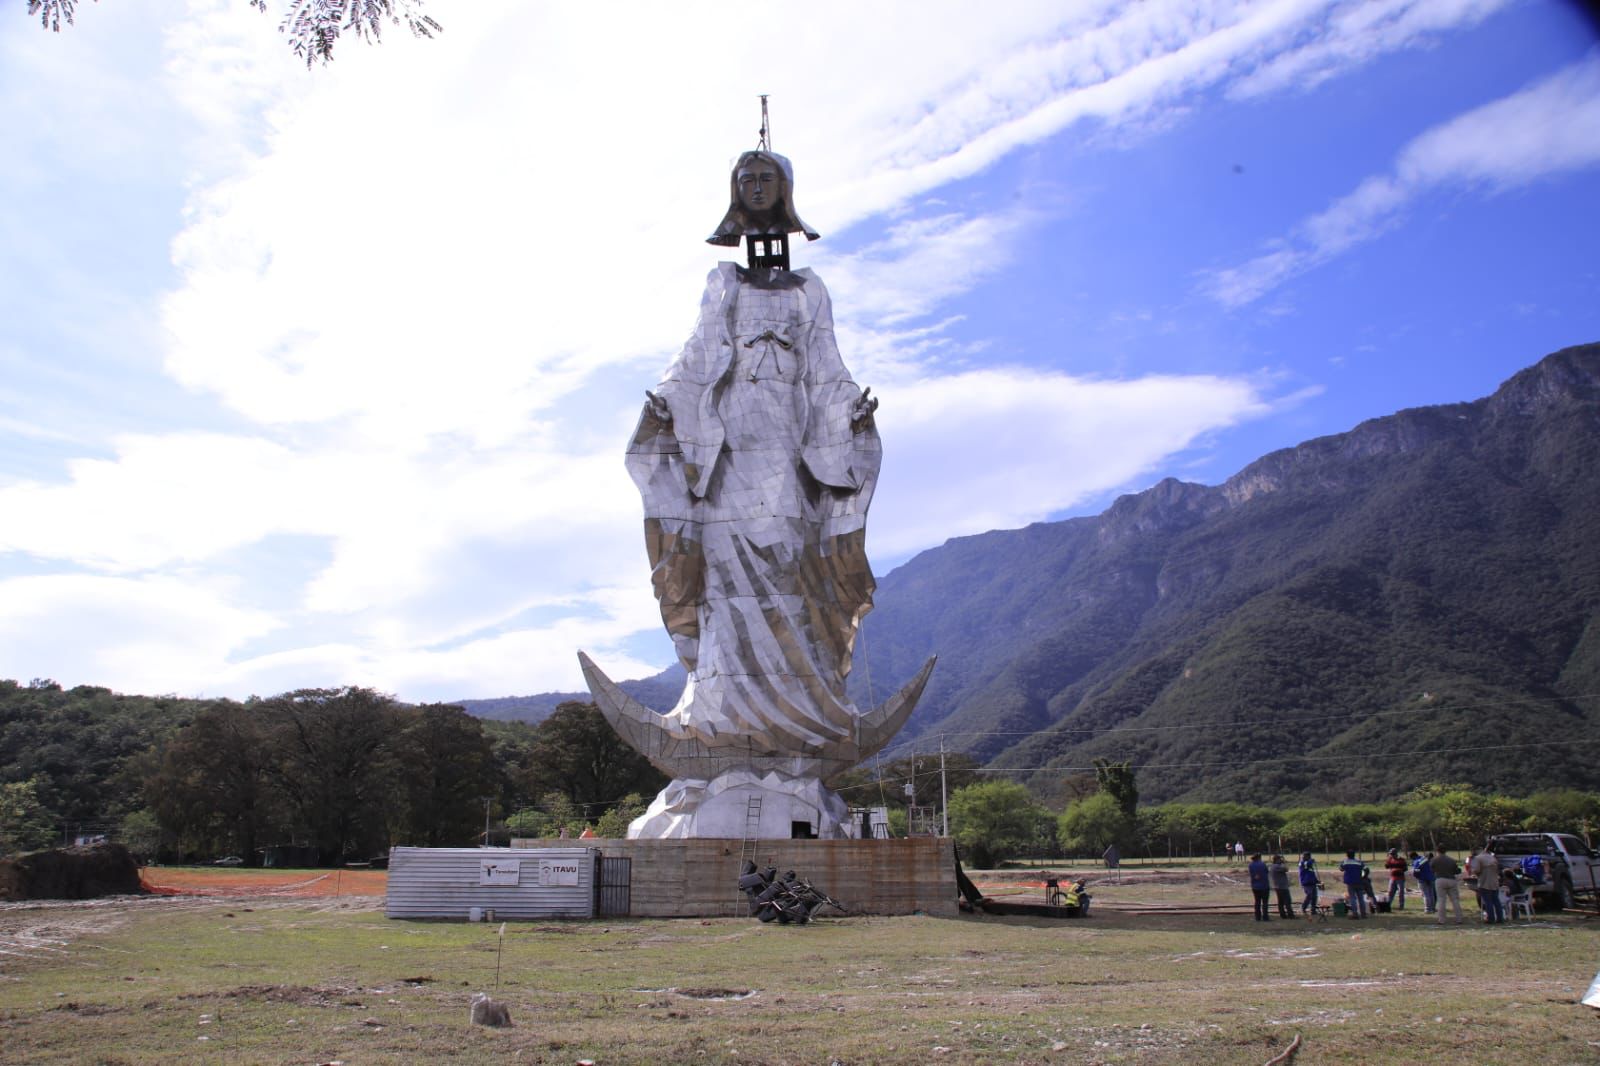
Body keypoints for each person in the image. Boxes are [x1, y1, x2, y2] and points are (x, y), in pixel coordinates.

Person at [626, 148, 882, 755]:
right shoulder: (723, 283)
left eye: (766, 177)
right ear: (735, 194)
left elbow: (825, 370)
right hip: (729, 450)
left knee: (792, 568)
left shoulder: (810, 291)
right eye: (746, 179)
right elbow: (694, 355)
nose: (756, 186)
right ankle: (719, 712)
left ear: (785, 189)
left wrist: (849, 413)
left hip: (788, 450)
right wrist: (667, 403)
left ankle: (802, 709)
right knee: (722, 579)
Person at [1470, 845, 1504, 924]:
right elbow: (1498, 868)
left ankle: (1491, 919)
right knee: (1496, 901)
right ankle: (1500, 918)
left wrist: (1474, 873)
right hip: (1495, 882)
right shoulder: (1492, 857)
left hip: (1485, 882)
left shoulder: (1478, 858)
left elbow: (1476, 870)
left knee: (1488, 901)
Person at [1431, 846, 1463, 924]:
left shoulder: (1434, 860)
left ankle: (1441, 920)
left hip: (1440, 879)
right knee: (1455, 900)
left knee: (1441, 900)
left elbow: (1431, 869)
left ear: (1437, 851)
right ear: (1445, 851)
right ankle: (1459, 919)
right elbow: (1456, 870)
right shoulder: (1451, 860)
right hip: (1451, 880)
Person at [1339, 850, 1367, 918]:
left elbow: (1341, 869)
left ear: (1347, 855)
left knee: (1352, 898)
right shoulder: (1359, 861)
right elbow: (1365, 869)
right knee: (1361, 898)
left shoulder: (1345, 861)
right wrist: (1363, 877)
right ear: (1354, 855)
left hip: (1350, 882)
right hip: (1359, 881)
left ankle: (1355, 914)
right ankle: (1363, 914)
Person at [1410, 850, 1436, 914]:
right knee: (1431, 894)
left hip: (1423, 880)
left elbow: (1416, 871)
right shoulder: (1429, 860)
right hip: (1431, 879)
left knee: (1425, 895)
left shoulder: (1419, 861)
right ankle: (1432, 908)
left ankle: (1427, 909)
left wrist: (1418, 877)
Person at [1269, 853, 1294, 918]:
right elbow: (1286, 869)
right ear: (1276, 860)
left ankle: (1283, 915)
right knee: (1287, 901)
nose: (1280, 860)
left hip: (1278, 886)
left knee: (1281, 902)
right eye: (1279, 859)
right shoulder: (1276, 866)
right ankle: (1290, 915)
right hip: (1282, 887)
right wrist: (1284, 862)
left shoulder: (1273, 866)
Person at [1248, 853, 1271, 921]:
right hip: (1264, 885)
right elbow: (1267, 872)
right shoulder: (1262, 864)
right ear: (1259, 858)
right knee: (1265, 902)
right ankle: (1265, 917)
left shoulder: (1250, 865)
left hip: (1255, 886)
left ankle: (1257, 917)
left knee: (1257, 902)